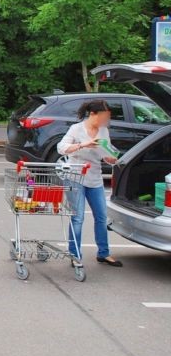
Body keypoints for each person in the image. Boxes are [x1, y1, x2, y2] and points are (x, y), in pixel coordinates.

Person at [57, 99, 122, 267]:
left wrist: (110, 158)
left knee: (101, 217)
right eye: (103, 116)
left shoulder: (103, 131)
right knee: (77, 217)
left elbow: (106, 154)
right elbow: (61, 148)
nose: (104, 120)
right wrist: (82, 144)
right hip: (75, 177)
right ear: (93, 114)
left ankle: (103, 253)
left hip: (95, 178)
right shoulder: (76, 129)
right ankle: (74, 254)